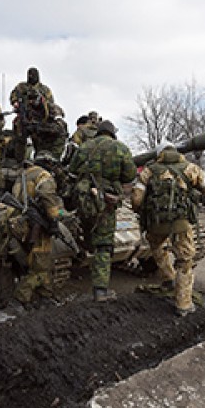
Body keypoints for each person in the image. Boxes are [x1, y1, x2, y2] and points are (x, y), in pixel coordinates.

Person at [131, 142, 205, 316]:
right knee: (185, 260)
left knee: (156, 247)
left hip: (156, 223)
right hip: (181, 224)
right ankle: (183, 304)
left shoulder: (149, 171)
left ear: (159, 154)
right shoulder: (190, 168)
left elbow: (136, 200)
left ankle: (168, 277)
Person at [69, 120, 136, 302]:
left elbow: (72, 172)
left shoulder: (84, 147)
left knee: (83, 231)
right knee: (104, 245)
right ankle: (100, 291)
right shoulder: (120, 148)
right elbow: (130, 176)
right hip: (106, 201)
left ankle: (81, 255)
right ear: (113, 133)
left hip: (83, 200)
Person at [9, 151, 66, 307]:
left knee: (39, 262)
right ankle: (21, 298)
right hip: (37, 225)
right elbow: (46, 194)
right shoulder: (43, 175)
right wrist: (54, 218)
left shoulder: (23, 175)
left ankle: (45, 296)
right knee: (41, 265)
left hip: (22, 223)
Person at [9, 67, 57, 163]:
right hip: (24, 117)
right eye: (30, 75)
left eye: (33, 75)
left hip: (39, 120)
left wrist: (42, 103)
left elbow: (51, 104)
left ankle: (39, 162)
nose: (31, 77)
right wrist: (15, 102)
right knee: (19, 140)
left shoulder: (44, 89)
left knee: (40, 143)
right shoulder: (21, 87)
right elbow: (13, 96)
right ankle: (19, 161)